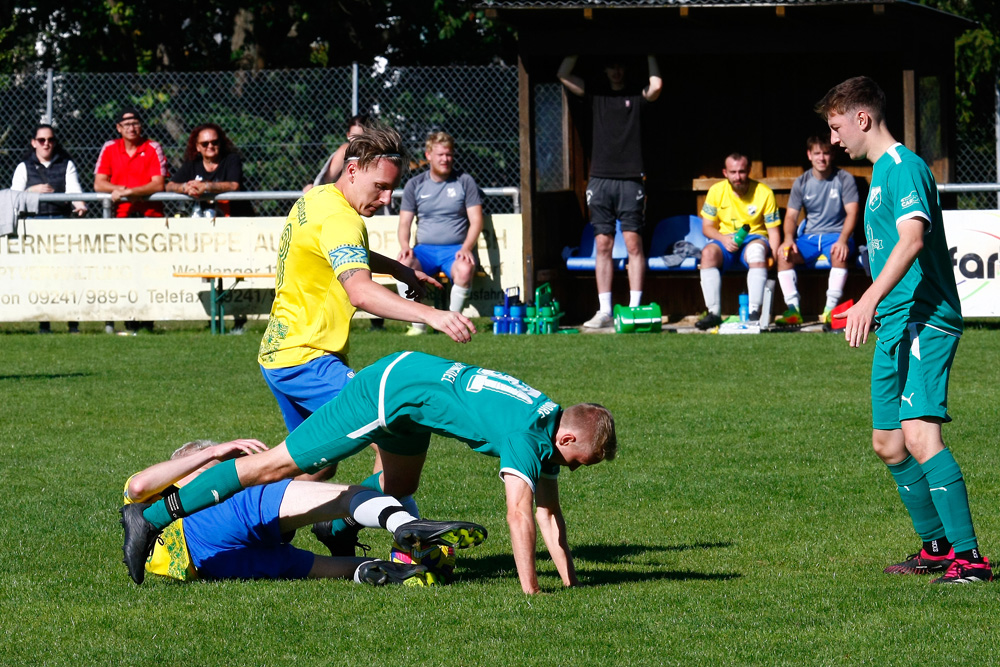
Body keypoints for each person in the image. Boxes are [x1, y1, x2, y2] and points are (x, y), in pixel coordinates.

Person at [123, 351, 617, 595]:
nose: (574, 470)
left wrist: (570, 584)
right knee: (271, 465)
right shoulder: (527, 439)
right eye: (580, 463)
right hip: (388, 390)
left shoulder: (548, 422)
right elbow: (520, 515)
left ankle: (336, 524)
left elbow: (549, 513)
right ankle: (152, 516)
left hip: (415, 399)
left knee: (402, 487)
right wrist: (533, 593)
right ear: (566, 440)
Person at [257, 123, 476, 551]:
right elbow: (358, 290)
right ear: (354, 170)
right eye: (380, 188)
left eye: (392, 190)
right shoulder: (342, 219)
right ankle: (401, 544)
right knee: (392, 429)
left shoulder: (319, 197)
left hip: (278, 353)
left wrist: (397, 268)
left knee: (313, 464)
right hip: (308, 358)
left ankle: (263, 528)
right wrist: (431, 315)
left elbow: (341, 251)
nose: (387, 199)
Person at [819, 75, 991, 584]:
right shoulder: (877, 181)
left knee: (919, 434)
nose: (833, 139)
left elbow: (913, 239)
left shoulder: (904, 168)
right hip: (895, 321)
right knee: (888, 442)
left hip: (926, 318)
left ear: (862, 118)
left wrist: (867, 298)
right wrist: (878, 303)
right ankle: (936, 548)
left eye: (836, 127)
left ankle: (971, 559)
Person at [123, 438, 447, 586]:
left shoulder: (145, 527)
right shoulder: (172, 491)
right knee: (350, 496)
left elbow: (298, 482)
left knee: (340, 569)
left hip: (211, 566)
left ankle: (400, 571)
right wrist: (213, 452)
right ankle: (405, 525)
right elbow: (139, 486)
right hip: (214, 525)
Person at [558, 55, 662, 329]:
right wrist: (576, 49)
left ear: (626, 69)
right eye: (611, 65)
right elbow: (564, 75)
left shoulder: (636, 97)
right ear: (604, 69)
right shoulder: (595, 96)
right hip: (600, 180)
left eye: (620, 65)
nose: (616, 70)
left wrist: (650, 53)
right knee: (602, 245)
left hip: (631, 180)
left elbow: (657, 85)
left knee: (633, 244)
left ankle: (635, 310)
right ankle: (604, 310)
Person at [396, 131, 484, 333]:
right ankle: (418, 326)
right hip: (424, 251)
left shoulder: (465, 181)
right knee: (402, 265)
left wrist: (467, 247)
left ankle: (453, 324)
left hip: (454, 251)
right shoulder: (415, 184)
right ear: (428, 155)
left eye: (449, 154)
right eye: (440, 155)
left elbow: (476, 220)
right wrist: (404, 246)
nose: (445, 159)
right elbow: (404, 223)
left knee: (464, 269)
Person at [94, 108, 168, 334]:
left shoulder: (152, 147)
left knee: (151, 270)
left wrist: (127, 192)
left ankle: (149, 320)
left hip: (150, 218)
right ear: (118, 128)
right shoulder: (110, 148)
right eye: (126, 124)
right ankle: (127, 318)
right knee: (123, 271)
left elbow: (158, 184)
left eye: (135, 123)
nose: (131, 128)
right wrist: (120, 190)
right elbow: (99, 183)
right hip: (121, 218)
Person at [774, 136, 859, 326]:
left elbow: (852, 213)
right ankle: (793, 311)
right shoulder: (801, 182)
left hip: (837, 235)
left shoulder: (844, 179)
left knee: (840, 253)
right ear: (809, 155)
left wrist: (844, 239)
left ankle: (830, 311)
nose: (822, 158)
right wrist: (788, 239)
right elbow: (790, 217)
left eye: (826, 153)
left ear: (832, 155)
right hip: (809, 238)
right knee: (784, 255)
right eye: (817, 153)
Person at [10, 124, 86, 334]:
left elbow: (74, 190)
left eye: (50, 140)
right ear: (34, 142)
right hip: (36, 225)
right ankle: (45, 323)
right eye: (41, 140)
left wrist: (79, 204)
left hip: (61, 222)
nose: (46, 144)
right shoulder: (24, 167)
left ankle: (73, 323)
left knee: (67, 275)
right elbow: (14, 198)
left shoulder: (66, 164)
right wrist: (31, 191)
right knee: (41, 276)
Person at [695, 153, 781, 330]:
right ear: (725, 172)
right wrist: (723, 239)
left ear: (749, 170)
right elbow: (707, 227)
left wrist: (773, 256)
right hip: (724, 240)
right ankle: (713, 313)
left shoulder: (764, 193)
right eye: (733, 172)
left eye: (742, 171)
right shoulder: (716, 191)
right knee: (708, 253)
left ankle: (754, 312)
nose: (737, 177)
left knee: (757, 252)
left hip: (754, 239)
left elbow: (773, 231)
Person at [166, 123, 250, 218]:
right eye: (205, 144)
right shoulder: (192, 163)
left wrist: (205, 186)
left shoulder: (231, 160)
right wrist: (186, 187)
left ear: (220, 143)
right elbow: (169, 186)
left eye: (214, 142)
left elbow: (234, 185)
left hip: (235, 217)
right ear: (197, 147)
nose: (210, 146)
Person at [303, 114, 370, 192]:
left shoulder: (375, 153)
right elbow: (326, 179)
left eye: (361, 137)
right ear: (348, 135)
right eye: (354, 136)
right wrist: (313, 187)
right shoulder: (345, 151)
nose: (357, 141)